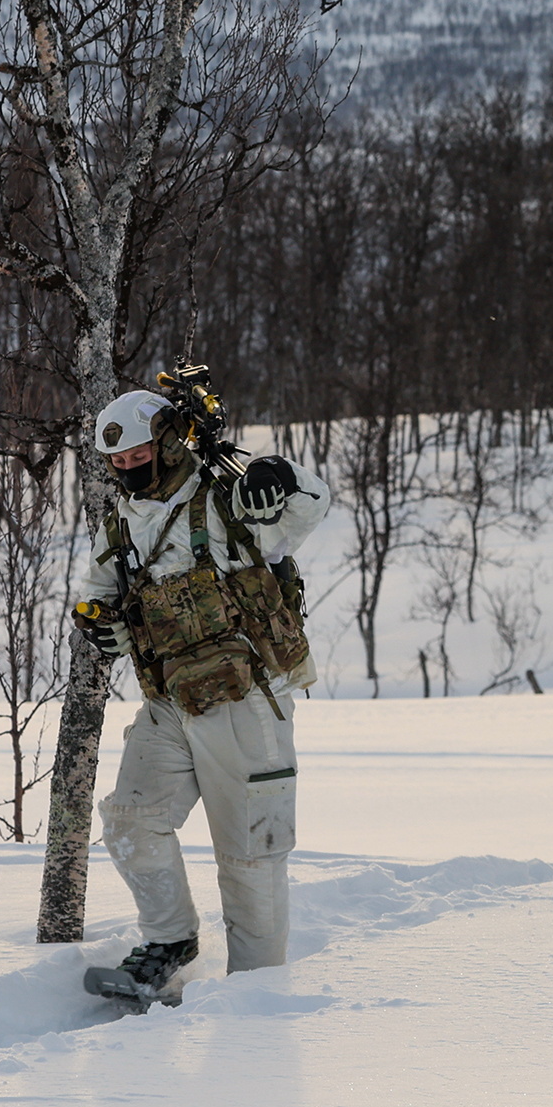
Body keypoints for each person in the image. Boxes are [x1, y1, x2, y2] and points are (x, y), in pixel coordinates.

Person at [75, 380, 329, 1008]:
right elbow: (99, 597)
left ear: (165, 444)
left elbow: (308, 507)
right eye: (117, 462)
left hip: (247, 700)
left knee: (251, 854)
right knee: (131, 819)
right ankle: (170, 942)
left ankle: (258, 993)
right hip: (169, 703)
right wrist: (97, 623)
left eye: (138, 456)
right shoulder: (122, 522)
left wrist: (281, 475)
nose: (128, 469)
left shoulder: (225, 498)